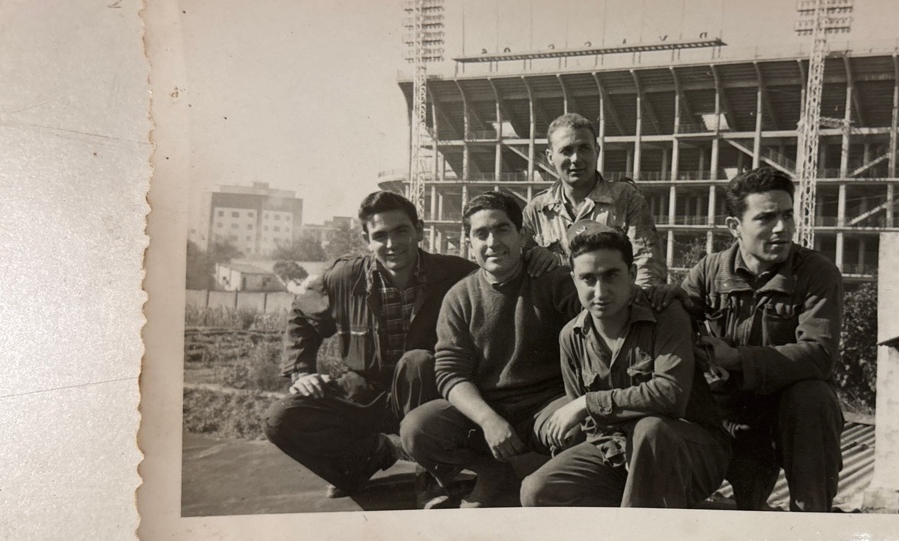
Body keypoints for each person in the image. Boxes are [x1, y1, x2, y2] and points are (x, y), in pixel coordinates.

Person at [264, 191, 477, 496]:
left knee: (418, 361)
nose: (392, 244)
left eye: (401, 231)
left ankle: (432, 475)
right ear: (366, 239)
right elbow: (302, 315)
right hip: (365, 389)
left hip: (427, 389)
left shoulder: (456, 274)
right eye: (380, 235)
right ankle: (361, 463)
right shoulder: (344, 277)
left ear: (419, 229)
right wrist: (301, 371)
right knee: (281, 418)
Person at [521, 225, 730, 508]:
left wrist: (588, 402)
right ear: (574, 280)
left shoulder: (665, 314)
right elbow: (591, 427)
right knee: (538, 490)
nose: (600, 291)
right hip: (617, 452)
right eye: (588, 279)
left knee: (650, 429)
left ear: (631, 274)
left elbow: (671, 394)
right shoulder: (571, 336)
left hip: (688, 454)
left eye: (611, 275)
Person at [400, 191, 580, 508]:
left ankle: (538, 481)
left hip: (547, 406)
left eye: (502, 229)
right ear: (469, 241)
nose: (493, 242)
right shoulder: (460, 296)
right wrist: (488, 421)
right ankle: (494, 474)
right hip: (489, 410)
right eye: (481, 233)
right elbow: (450, 373)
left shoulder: (554, 280)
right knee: (417, 430)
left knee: (578, 426)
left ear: (522, 234)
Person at [680, 167, 845, 512]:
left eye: (787, 215)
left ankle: (812, 521)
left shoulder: (816, 273)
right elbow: (676, 321)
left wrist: (737, 359)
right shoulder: (710, 271)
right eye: (766, 218)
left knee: (813, 397)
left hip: (789, 415)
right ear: (734, 227)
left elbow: (819, 354)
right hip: (728, 410)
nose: (782, 228)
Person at [523, 112, 667, 289]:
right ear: (550, 157)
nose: (576, 159)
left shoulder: (625, 198)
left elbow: (648, 267)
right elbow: (518, 262)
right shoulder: (537, 209)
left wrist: (634, 307)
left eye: (584, 148)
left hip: (613, 307)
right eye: (566, 151)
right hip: (557, 311)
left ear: (597, 151)